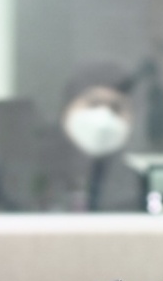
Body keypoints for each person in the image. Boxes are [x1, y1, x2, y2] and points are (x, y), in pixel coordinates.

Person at [51, 62, 145, 212]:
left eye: (116, 108)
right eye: (93, 104)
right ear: (67, 108)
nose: (104, 118)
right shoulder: (26, 176)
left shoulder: (138, 186)